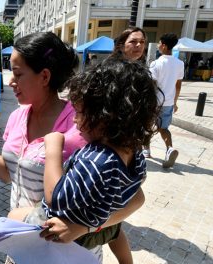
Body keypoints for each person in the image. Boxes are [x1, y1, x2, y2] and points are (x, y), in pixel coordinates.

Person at [0, 32, 145, 263]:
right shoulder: (17, 116)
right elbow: (10, 173)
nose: (10, 82)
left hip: (67, 254)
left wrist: (82, 228)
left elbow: (132, 198)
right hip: (22, 244)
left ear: (44, 76)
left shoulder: (85, 124)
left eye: (17, 74)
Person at [9, 58, 161, 264]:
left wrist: (53, 148)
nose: (74, 119)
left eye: (79, 112)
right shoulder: (134, 153)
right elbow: (135, 192)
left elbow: (55, 197)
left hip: (61, 226)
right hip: (99, 228)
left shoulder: (96, 160)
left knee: (13, 217)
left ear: (105, 117)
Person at [143, 33, 184, 168]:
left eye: (160, 43)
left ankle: (146, 150)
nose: (159, 45)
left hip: (155, 102)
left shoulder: (156, 63)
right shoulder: (179, 63)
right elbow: (178, 86)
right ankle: (169, 149)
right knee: (164, 128)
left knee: (147, 126)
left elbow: (152, 85)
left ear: (164, 46)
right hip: (169, 103)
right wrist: (175, 102)